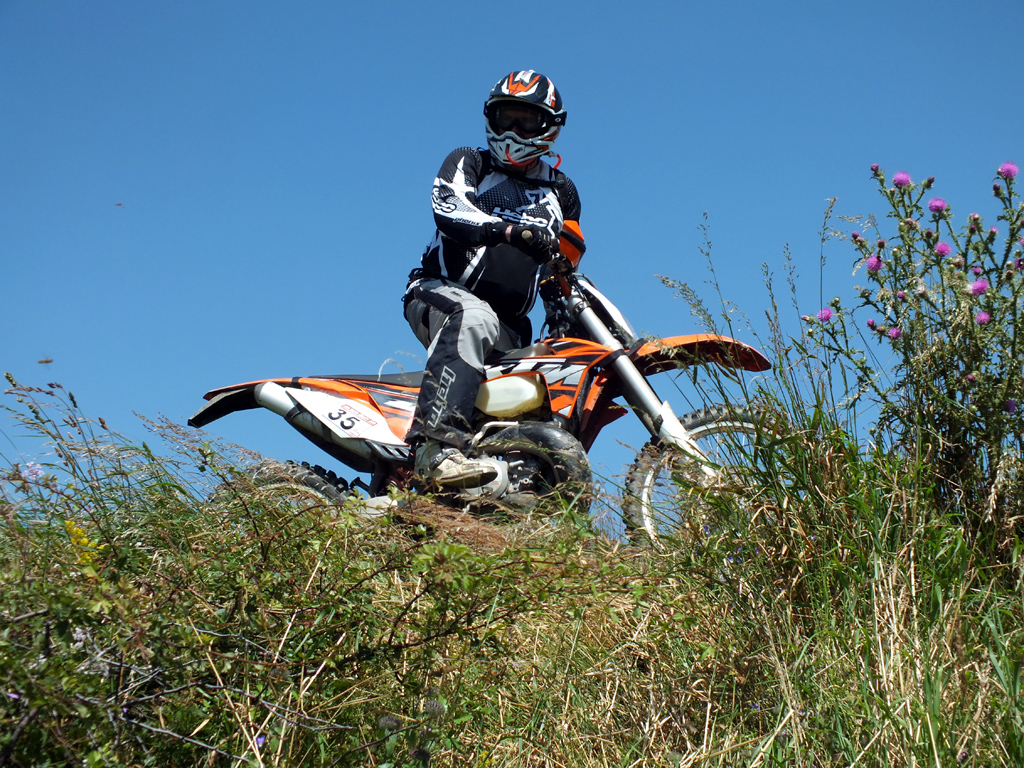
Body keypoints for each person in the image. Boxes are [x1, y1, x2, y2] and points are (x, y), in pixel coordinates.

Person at [402, 70, 583, 487]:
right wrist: (510, 231)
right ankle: (434, 451)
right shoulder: (471, 161)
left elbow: (563, 261)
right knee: (473, 317)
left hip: (512, 324)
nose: (513, 130)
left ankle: (529, 485)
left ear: (551, 126)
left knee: (553, 369)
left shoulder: (563, 191)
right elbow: (450, 210)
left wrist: (564, 315)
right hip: (441, 292)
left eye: (526, 120)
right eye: (506, 118)